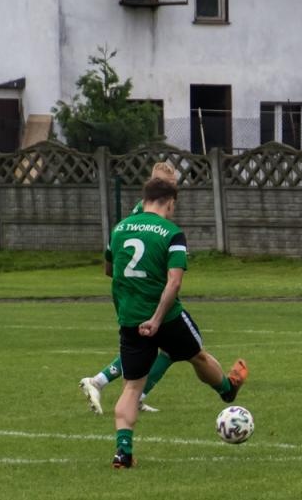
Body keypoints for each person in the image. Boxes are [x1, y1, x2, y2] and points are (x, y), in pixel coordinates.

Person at [107, 167, 246, 468]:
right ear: (169, 202)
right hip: (166, 318)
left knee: (132, 387)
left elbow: (110, 270)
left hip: (130, 320)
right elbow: (174, 282)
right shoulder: (172, 233)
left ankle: (123, 451)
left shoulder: (118, 229)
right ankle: (226, 389)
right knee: (197, 355)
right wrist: (157, 318)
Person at [80, 162, 179, 414]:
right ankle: (103, 383)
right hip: (142, 293)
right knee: (158, 348)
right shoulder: (145, 216)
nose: (174, 191)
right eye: (170, 185)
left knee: (152, 348)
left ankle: (106, 385)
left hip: (135, 291)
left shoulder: (141, 210)